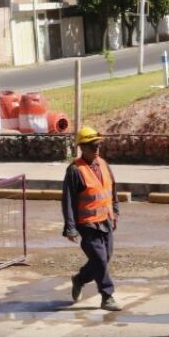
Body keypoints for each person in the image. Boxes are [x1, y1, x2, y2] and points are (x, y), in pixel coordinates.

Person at [62, 126, 121, 311]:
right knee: (100, 259)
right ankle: (107, 295)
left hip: (105, 220)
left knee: (105, 257)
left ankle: (79, 279)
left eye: (98, 146)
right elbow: (68, 200)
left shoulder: (103, 164)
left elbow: (112, 190)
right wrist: (70, 227)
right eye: (93, 146)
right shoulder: (75, 170)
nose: (97, 149)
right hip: (87, 224)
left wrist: (116, 212)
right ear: (83, 148)